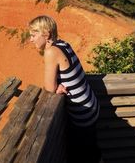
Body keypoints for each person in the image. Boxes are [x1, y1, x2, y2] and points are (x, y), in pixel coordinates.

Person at [28, 15, 101, 163]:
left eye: (33, 35)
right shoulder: (63, 44)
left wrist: (55, 89)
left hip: (82, 113)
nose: (31, 39)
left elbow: (48, 90)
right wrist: (57, 87)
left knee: (84, 154)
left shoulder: (51, 52)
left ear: (46, 34)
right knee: (90, 146)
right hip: (91, 104)